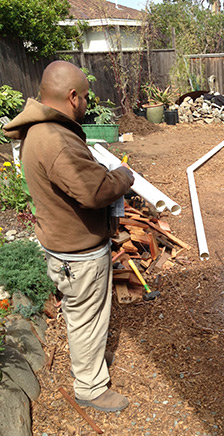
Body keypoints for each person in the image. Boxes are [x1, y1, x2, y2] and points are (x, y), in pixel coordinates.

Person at [4, 61, 134, 412]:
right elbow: (95, 191)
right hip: (79, 255)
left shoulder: (36, 132)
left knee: (82, 315)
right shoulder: (57, 139)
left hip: (60, 247)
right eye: (86, 97)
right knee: (88, 317)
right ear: (72, 96)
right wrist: (123, 175)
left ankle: (88, 365)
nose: (87, 104)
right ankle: (90, 386)